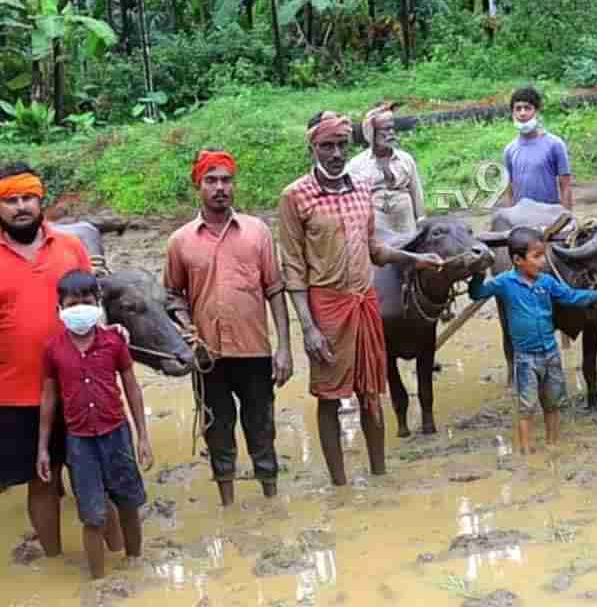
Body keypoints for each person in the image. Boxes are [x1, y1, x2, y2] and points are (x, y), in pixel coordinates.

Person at [279, 111, 445, 486]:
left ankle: (379, 473)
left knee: (371, 390)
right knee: (329, 396)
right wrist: (308, 327)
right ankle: (339, 482)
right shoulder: (295, 197)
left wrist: (416, 259)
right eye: (327, 146)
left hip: (364, 299)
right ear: (313, 147)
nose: (335, 153)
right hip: (326, 307)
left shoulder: (360, 189)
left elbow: (375, 250)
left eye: (341, 145)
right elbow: (292, 269)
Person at [0, 162, 105, 558]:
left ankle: (112, 555)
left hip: (81, 385)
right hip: (20, 393)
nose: (21, 207)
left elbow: (95, 310)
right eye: (11, 200)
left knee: (96, 474)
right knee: (41, 480)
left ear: (41, 201)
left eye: (28, 198)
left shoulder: (71, 248)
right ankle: (55, 560)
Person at [164, 149, 293, 506]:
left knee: (262, 426)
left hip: (255, 351)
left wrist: (284, 348)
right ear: (198, 185)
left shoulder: (257, 232)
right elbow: (172, 295)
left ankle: (270, 496)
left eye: (226, 180)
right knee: (217, 430)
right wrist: (187, 328)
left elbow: (275, 290)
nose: (220, 187)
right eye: (211, 180)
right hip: (208, 356)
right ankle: (228, 502)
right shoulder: (180, 241)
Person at [36, 270, 153, 580]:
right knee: (92, 514)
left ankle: (134, 563)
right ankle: (98, 582)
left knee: (128, 503)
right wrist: (42, 449)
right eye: (72, 304)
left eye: (86, 302)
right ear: (59, 309)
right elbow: (48, 399)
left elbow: (132, 388)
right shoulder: (53, 350)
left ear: (98, 304)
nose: (79, 309)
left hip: (117, 434)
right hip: (80, 441)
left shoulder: (114, 341)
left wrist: (142, 437)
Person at [468, 227, 597, 453]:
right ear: (518, 260)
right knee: (527, 406)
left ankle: (552, 444)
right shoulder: (504, 283)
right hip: (525, 358)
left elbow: (571, 297)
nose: (542, 261)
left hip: (550, 353)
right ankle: (525, 450)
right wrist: (479, 270)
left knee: (553, 403)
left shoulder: (547, 282)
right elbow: (477, 293)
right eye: (536, 257)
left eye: (543, 255)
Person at [346, 102, 427, 233]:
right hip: (376, 229)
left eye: (392, 128)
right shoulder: (356, 165)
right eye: (385, 129)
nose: (391, 133)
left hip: (405, 224)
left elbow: (416, 193)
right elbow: (351, 204)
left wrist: (422, 221)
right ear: (372, 132)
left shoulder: (405, 160)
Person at [503, 86, 573, 209]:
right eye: (518, 109)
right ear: (513, 113)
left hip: (549, 217)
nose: (522, 113)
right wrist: (509, 216)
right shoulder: (509, 150)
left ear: (537, 111)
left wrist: (568, 218)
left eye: (527, 108)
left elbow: (565, 186)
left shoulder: (555, 144)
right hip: (521, 219)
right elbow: (509, 189)